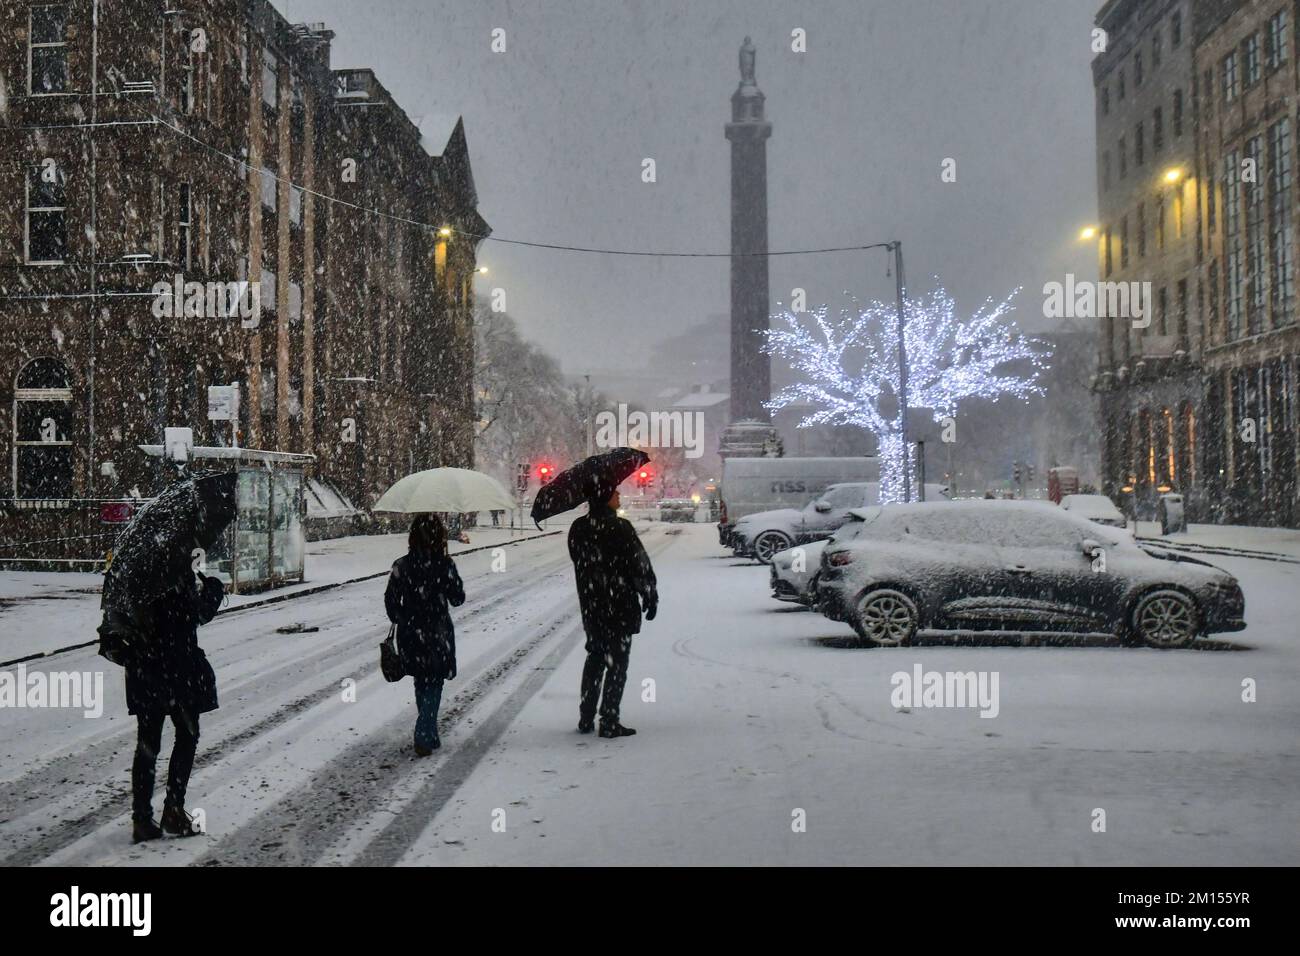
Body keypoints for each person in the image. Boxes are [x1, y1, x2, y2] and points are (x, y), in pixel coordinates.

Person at [123, 567, 226, 843]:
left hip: (144, 671)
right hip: (176, 670)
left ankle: (142, 819)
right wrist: (213, 591)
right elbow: (193, 615)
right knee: (187, 735)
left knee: (147, 745)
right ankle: (173, 809)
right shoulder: (172, 572)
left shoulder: (134, 572)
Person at [567, 487, 657, 738]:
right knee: (617, 664)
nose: (619, 497)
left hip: (592, 605)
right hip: (620, 605)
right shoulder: (621, 528)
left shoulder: (578, 529)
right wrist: (649, 592)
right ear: (606, 497)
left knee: (595, 658)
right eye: (615, 493)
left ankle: (586, 716)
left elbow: (579, 561)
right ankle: (609, 718)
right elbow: (639, 563)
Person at [385, 514, 465, 756]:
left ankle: (429, 730)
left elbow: (390, 600)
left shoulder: (402, 565)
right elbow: (457, 598)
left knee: (421, 679)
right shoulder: (444, 564)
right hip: (437, 632)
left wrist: (402, 617)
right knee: (434, 680)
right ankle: (424, 732)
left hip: (410, 632)